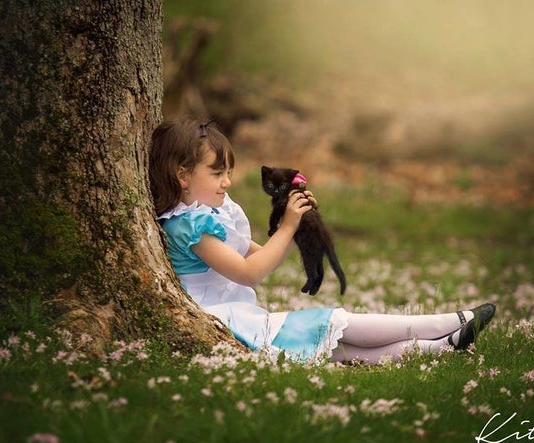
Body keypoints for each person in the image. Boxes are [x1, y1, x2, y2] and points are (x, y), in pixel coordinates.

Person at [149, 117, 496, 364]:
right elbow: (248, 272)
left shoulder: (211, 214)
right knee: (332, 323)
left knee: (344, 350)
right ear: (182, 175)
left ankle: (443, 346)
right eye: (217, 173)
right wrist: (285, 228)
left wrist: (297, 225)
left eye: (228, 172)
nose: (227, 182)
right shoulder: (185, 226)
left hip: (239, 317)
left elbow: (258, 255)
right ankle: (443, 323)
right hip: (225, 320)